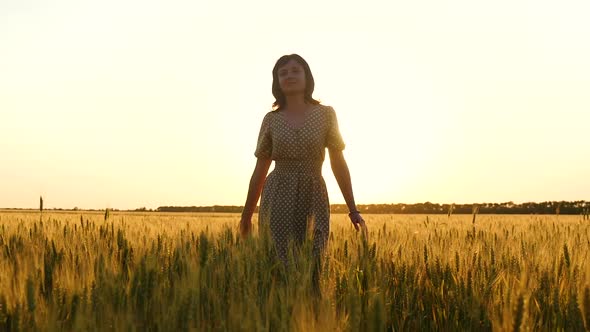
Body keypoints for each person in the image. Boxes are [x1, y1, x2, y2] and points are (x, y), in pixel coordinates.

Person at [239, 54, 367, 292]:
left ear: (307, 77)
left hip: (313, 195)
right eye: (283, 72)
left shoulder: (326, 114)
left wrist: (353, 209)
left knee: (314, 264)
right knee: (277, 266)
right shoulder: (271, 119)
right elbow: (260, 168)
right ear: (276, 82)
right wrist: (246, 216)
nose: (289, 76)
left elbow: (338, 162)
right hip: (277, 195)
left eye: (295, 70)